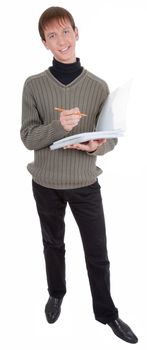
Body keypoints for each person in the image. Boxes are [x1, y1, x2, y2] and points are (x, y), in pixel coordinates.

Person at [20, 6, 138, 344]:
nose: (61, 40)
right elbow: (27, 137)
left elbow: (109, 139)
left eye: (65, 31)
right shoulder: (34, 85)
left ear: (77, 33)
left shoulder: (99, 87)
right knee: (52, 243)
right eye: (52, 35)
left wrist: (95, 148)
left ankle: (107, 314)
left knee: (97, 252)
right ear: (44, 42)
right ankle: (56, 292)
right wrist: (59, 127)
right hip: (45, 181)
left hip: (85, 183)